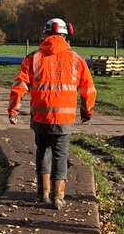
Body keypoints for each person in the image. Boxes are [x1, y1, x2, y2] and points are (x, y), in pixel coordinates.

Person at [8, 18, 96, 210]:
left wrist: (14, 109)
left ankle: (43, 194)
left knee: (43, 152)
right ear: (66, 35)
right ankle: (58, 197)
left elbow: (19, 86)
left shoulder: (33, 58)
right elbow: (88, 89)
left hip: (40, 118)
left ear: (45, 34)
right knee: (61, 155)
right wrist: (87, 111)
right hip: (64, 120)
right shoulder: (77, 60)